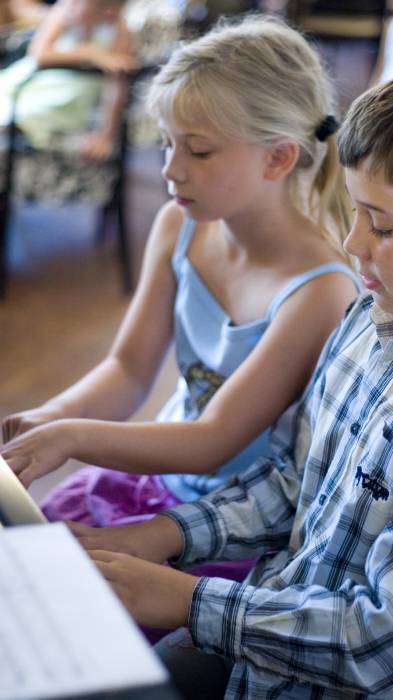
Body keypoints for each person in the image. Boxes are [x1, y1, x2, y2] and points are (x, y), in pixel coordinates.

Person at [67, 54, 393, 699]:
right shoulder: (373, 317)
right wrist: (160, 534)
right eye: (355, 213)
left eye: (383, 225)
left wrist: (191, 601)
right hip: (264, 635)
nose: (353, 243)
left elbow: (385, 641)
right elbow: (297, 480)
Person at [1, 17, 359, 559]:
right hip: (164, 479)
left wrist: (71, 436)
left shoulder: (321, 292)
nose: (171, 170)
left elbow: (212, 440)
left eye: (200, 150)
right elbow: (128, 368)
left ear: (279, 157)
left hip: (229, 522)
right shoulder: (179, 224)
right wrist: (51, 417)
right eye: (167, 144)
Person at [0, 0, 135, 159]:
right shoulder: (63, 11)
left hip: (72, 99)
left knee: (25, 116)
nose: (73, 7)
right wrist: (90, 54)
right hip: (35, 81)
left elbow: (117, 86)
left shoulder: (120, 29)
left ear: (109, 10)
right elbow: (39, 54)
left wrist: (105, 136)